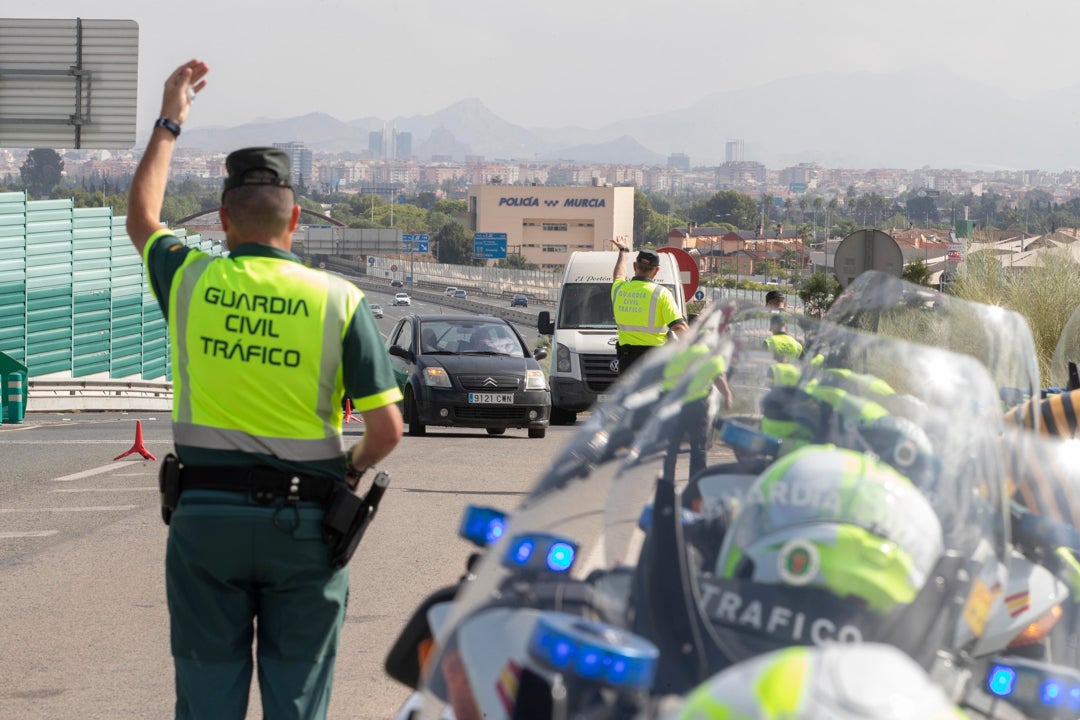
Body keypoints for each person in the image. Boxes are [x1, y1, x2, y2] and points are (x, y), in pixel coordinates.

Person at [126, 59, 404, 719]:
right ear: (296, 219)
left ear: (223, 219)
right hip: (306, 525)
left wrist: (170, 120)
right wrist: (347, 472)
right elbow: (386, 429)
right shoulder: (340, 299)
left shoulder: (190, 281)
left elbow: (142, 217)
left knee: (207, 694)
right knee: (298, 695)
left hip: (206, 522)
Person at [610, 236, 688, 374]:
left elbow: (618, 275)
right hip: (655, 361)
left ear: (635, 266)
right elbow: (679, 326)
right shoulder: (662, 293)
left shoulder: (618, 289)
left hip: (627, 362)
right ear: (656, 270)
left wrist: (624, 250)